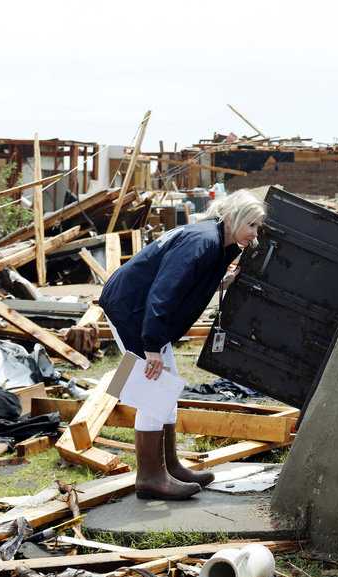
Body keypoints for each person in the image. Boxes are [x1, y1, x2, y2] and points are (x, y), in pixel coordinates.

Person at [98, 189, 266, 500]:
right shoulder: (203, 241)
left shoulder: (217, 241)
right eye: (252, 225)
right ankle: (149, 477)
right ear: (234, 218)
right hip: (131, 311)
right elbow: (163, 291)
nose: (255, 235)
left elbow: (190, 278)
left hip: (142, 312)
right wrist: (151, 346)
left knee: (167, 389)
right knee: (154, 393)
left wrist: (224, 281)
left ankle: (170, 467)